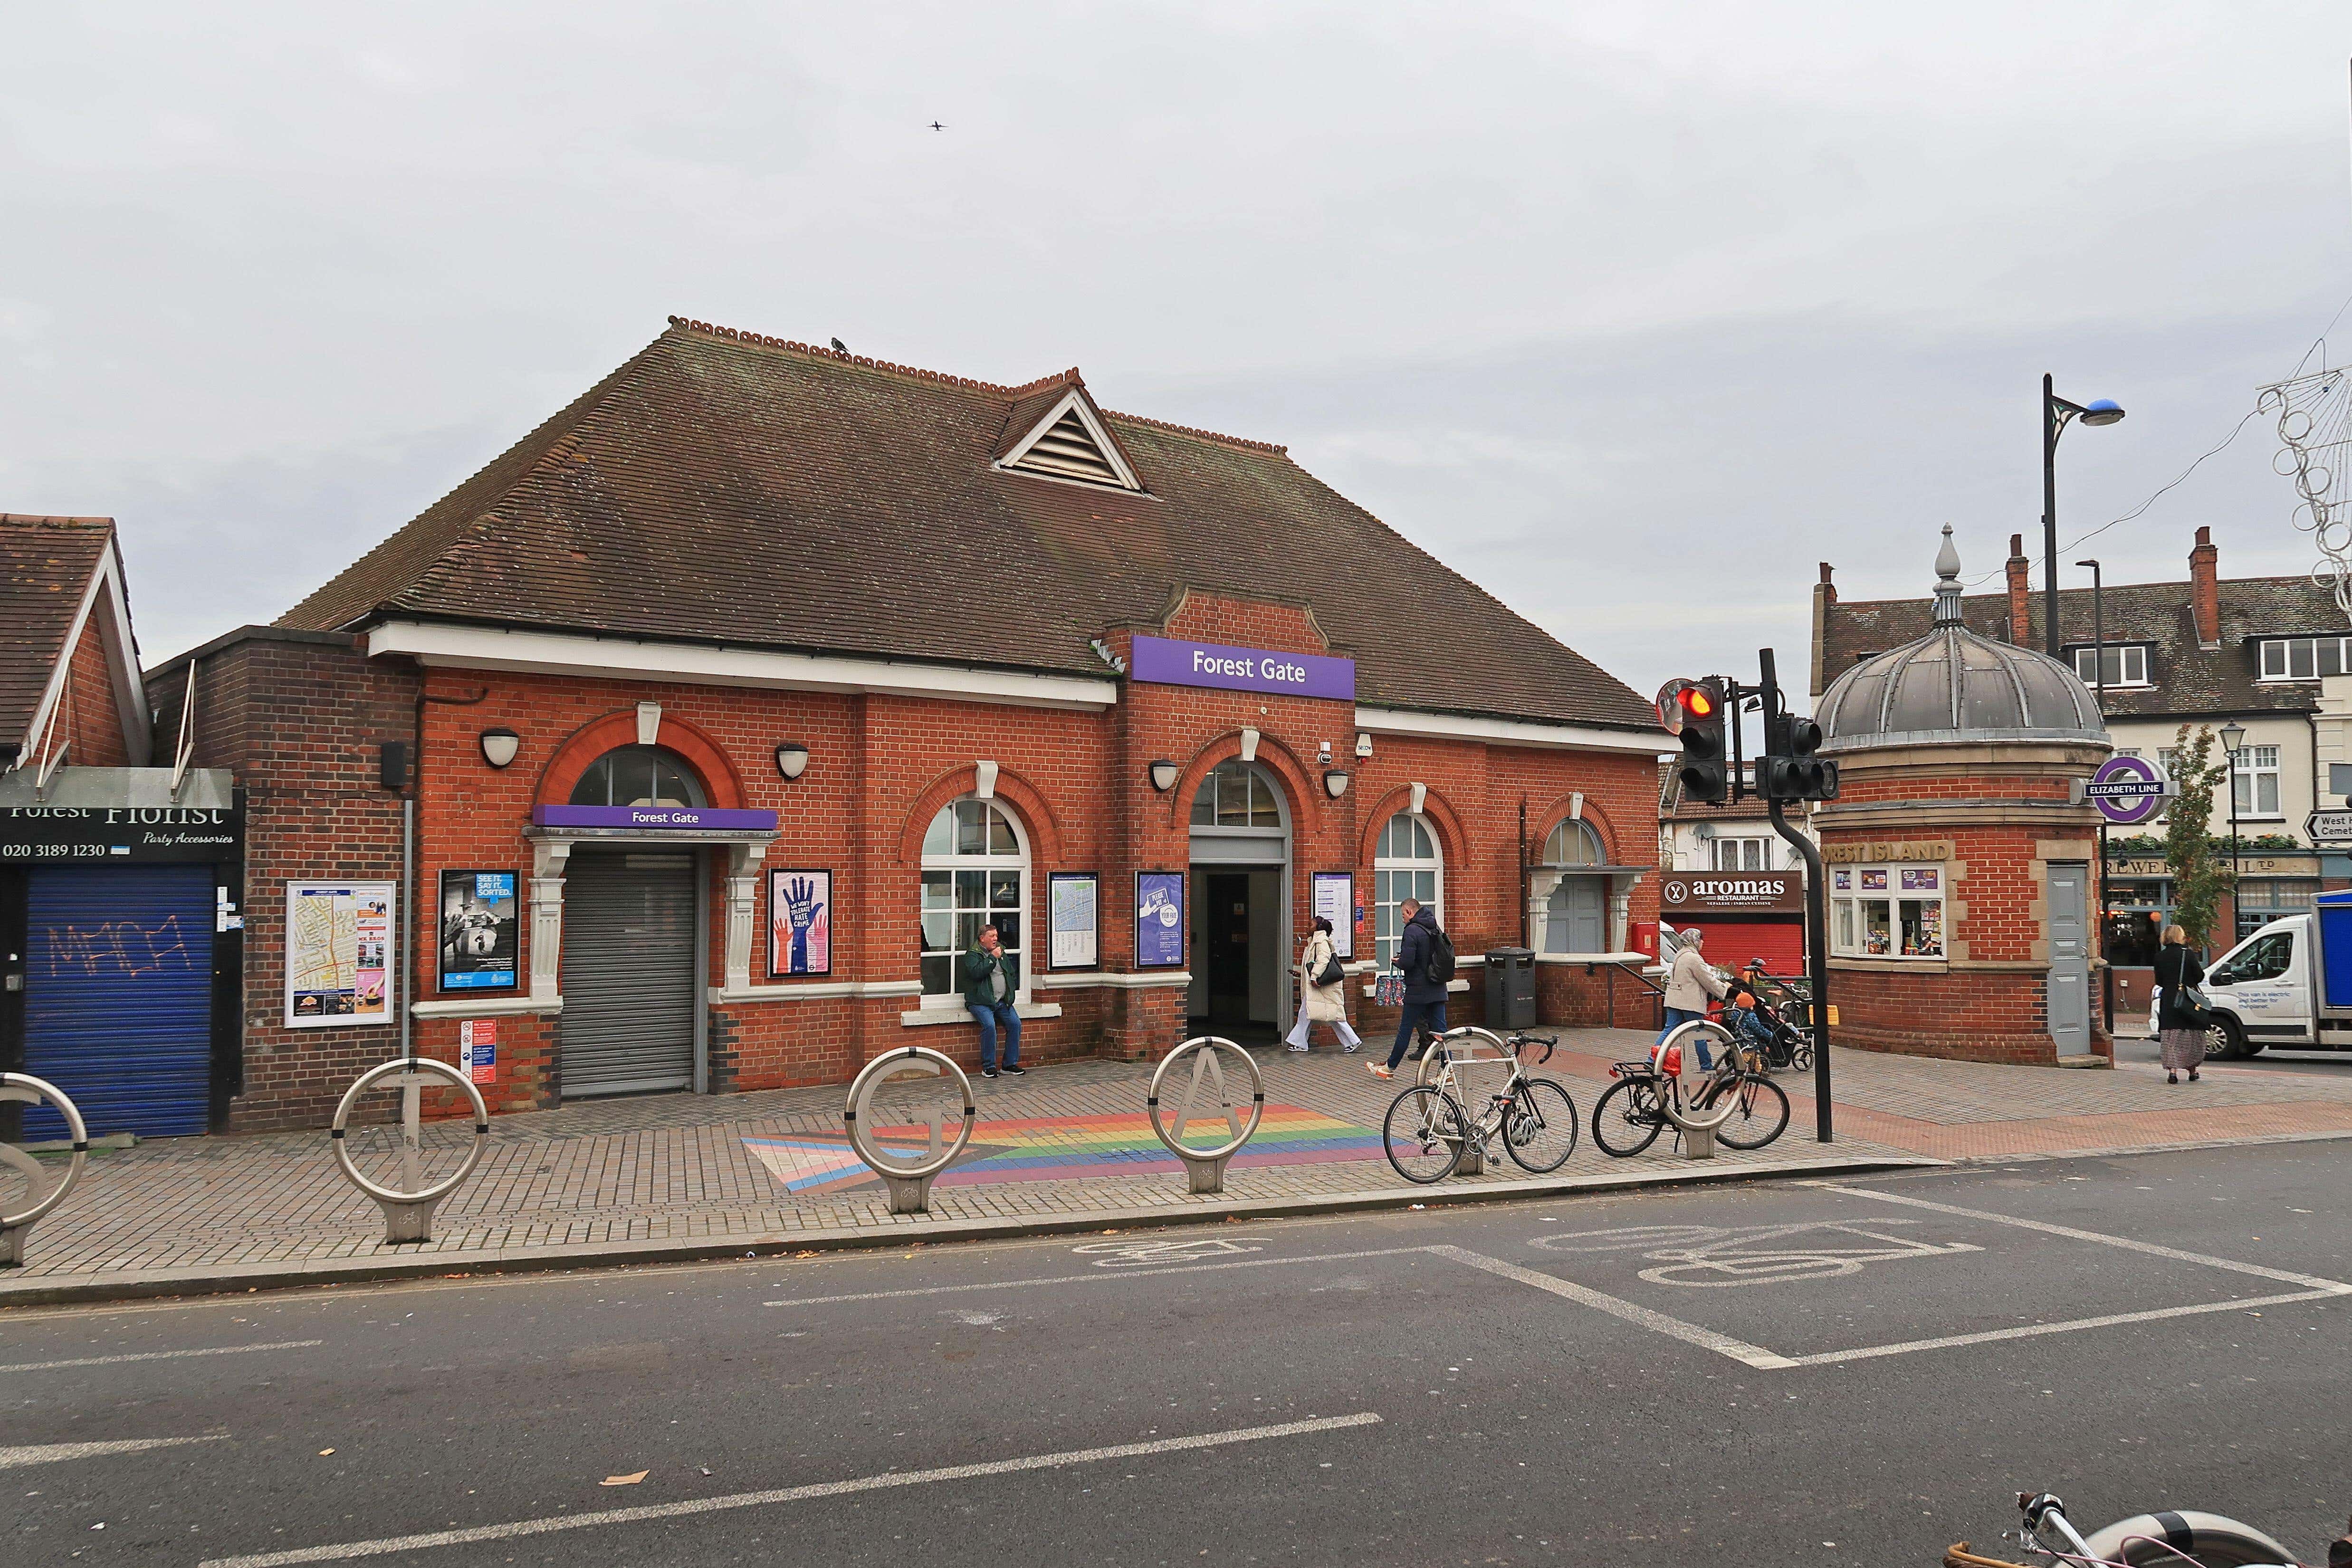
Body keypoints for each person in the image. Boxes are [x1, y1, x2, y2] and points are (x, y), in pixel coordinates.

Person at [1373, 898, 1447, 1080]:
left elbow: (1408, 962)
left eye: (1403, 915)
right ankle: (1448, 1071)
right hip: (1437, 986)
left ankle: (1390, 1067)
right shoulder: (1434, 927)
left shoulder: (1412, 930)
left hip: (1418, 990)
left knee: (1405, 1029)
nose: (1403, 919)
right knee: (1441, 1032)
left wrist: (1398, 962)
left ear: (1409, 912)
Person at [1285, 916, 1363, 1054]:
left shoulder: (1320, 941)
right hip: (1319, 987)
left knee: (1330, 1015)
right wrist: (1303, 974)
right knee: (1317, 1014)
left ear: (1318, 928)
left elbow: (1323, 960)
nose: (1307, 927)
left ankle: (1300, 1043)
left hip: (1321, 987)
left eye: (1310, 925)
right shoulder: (1315, 941)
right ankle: (1351, 1041)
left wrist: (1314, 977)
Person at [1659, 927, 1727, 1071]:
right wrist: (1724, 989)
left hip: (1675, 1000)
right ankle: (1706, 1066)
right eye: (1701, 940)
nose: (1703, 943)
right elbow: (1708, 980)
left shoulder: (1680, 954)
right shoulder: (1694, 958)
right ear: (1695, 940)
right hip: (1689, 1002)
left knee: (1669, 1030)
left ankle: (1653, 1059)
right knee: (1699, 1032)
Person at [962, 924, 1025, 1078]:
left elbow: (1010, 972)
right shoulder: (973, 955)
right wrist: (992, 958)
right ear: (982, 938)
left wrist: (1010, 993)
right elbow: (977, 973)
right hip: (980, 1002)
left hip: (1002, 1002)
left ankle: (1009, 1064)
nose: (995, 939)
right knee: (990, 1026)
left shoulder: (1001, 952)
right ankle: (989, 1067)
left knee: (1015, 1024)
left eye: (996, 935)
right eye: (992, 936)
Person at [2153, 923, 2206, 1085]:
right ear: (2180, 937)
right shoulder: (2188, 954)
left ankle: (2173, 1072)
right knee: (2190, 1036)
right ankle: (2192, 1071)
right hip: (2187, 1000)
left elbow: (2159, 981)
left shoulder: (2160, 956)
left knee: (2171, 1036)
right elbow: (2199, 976)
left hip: (2169, 1000)